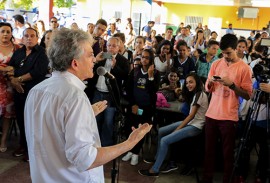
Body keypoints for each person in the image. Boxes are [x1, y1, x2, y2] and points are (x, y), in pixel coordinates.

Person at [24, 28, 152, 183]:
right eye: (90, 55)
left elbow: (51, 130)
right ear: (75, 63)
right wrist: (129, 143)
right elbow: (86, 159)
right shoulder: (74, 97)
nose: (94, 60)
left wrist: (84, 114)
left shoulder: (37, 90)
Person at [202, 34, 253, 183]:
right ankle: (207, 179)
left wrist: (232, 85)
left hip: (229, 117)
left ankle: (227, 179)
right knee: (209, 152)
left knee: (227, 154)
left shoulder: (244, 69)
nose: (225, 56)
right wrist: (211, 83)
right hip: (211, 114)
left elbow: (248, 95)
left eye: (229, 53)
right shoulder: (216, 64)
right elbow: (207, 88)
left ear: (237, 49)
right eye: (223, 53)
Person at [138, 72, 208, 177]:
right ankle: (158, 158)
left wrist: (178, 129)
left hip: (195, 126)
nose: (188, 84)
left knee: (164, 140)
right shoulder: (195, 93)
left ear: (197, 82)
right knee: (161, 130)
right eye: (187, 82)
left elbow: (191, 116)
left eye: (191, 82)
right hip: (191, 122)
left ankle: (155, 170)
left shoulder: (200, 94)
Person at [8, 28, 49, 161]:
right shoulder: (18, 52)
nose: (29, 38)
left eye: (32, 36)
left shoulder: (42, 53)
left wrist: (18, 80)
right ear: (23, 38)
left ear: (37, 38)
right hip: (18, 91)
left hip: (34, 92)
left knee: (33, 121)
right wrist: (13, 81)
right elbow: (11, 68)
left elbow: (38, 72)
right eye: (26, 36)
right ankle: (23, 145)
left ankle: (32, 150)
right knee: (20, 119)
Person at [86, 37, 129, 147]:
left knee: (108, 121)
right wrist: (95, 60)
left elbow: (124, 76)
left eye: (114, 46)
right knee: (95, 119)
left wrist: (115, 66)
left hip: (110, 95)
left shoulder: (123, 60)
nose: (110, 48)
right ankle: (94, 143)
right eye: (109, 45)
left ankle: (106, 145)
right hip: (97, 92)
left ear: (119, 47)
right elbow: (91, 70)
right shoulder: (102, 56)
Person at [122, 49, 160, 166]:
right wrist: (132, 104)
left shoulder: (155, 73)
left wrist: (150, 76)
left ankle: (136, 153)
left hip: (146, 108)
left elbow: (153, 91)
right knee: (130, 128)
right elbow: (128, 89)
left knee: (140, 129)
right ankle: (130, 150)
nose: (144, 59)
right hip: (134, 106)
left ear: (151, 59)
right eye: (142, 57)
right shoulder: (135, 71)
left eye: (147, 57)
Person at [0, 22, 19, 152]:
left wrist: (13, 70)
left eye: (8, 31)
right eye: (3, 31)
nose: (6, 34)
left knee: (7, 114)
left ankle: (4, 140)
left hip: (11, 85)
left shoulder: (17, 48)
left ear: (12, 33)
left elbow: (21, 66)